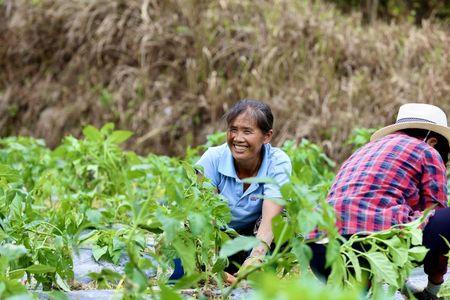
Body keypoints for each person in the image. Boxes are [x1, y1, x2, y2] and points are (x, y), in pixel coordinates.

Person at [308, 103, 450, 300]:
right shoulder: (427, 150)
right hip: (369, 244)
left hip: (320, 251)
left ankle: (361, 289)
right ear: (433, 141)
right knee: (445, 218)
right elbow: (435, 221)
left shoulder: (364, 151)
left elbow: (376, 208)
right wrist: (433, 288)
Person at [170, 99, 292, 279]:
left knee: (284, 220)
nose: (238, 138)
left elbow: (270, 219)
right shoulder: (213, 158)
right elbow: (201, 215)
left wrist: (255, 259)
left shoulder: (277, 162)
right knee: (183, 270)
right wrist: (212, 268)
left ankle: (259, 277)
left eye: (247, 131)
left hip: (253, 238)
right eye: (233, 130)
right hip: (218, 238)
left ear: (267, 136)